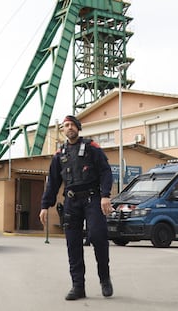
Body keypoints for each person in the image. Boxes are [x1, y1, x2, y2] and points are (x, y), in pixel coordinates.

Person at [39, 115, 114, 301]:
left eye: (72, 124)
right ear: (63, 130)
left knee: (98, 236)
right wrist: (44, 206)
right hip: (72, 202)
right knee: (73, 244)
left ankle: (104, 278)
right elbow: (53, 182)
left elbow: (105, 171)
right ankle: (78, 287)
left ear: (78, 128)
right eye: (65, 125)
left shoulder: (92, 148)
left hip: (93, 199)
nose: (69, 127)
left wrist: (105, 195)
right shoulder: (59, 155)